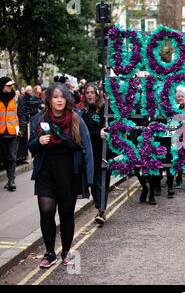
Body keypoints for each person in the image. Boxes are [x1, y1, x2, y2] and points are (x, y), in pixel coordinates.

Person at [28, 83, 94, 268]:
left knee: (66, 214)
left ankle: (65, 251)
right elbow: (31, 147)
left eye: (62, 97)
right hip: (46, 172)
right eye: (55, 97)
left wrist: (89, 178)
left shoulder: (75, 119)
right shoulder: (38, 119)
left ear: (67, 100)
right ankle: (49, 253)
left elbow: (86, 148)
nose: (59, 100)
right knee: (47, 211)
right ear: (49, 99)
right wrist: (39, 141)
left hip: (69, 172)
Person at [80, 83, 110, 224]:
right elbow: (82, 133)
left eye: (92, 92)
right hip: (89, 152)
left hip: (103, 151)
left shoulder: (104, 109)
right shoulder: (83, 112)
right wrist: (97, 134)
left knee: (102, 181)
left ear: (97, 94)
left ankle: (101, 210)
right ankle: (99, 206)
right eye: (87, 93)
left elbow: (109, 127)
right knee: (92, 183)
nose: (90, 95)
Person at [0, 77, 27, 191]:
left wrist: (21, 130)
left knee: (12, 156)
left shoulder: (17, 99)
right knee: (5, 157)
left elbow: (21, 114)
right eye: (8, 85)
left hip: (13, 132)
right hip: (1, 133)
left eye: (11, 85)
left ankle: (11, 180)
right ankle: (9, 179)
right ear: (2, 86)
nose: (11, 87)